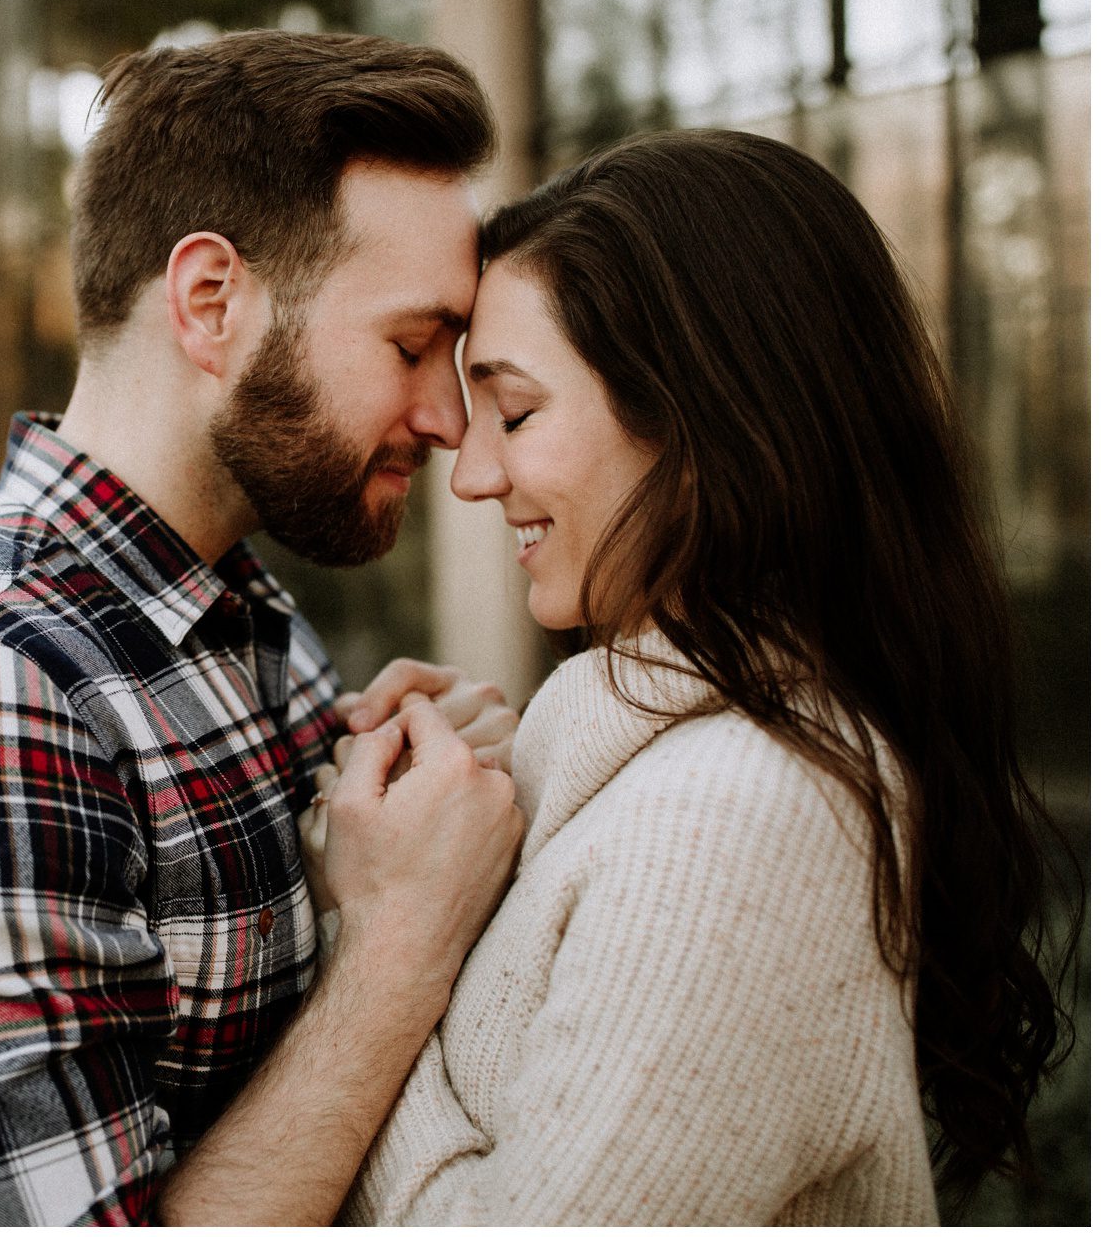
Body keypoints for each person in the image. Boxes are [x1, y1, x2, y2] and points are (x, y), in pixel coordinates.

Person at [0, 30, 527, 1226]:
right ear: (210, 301)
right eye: (411, 344)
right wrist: (399, 936)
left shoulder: (237, 616)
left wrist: (380, 787)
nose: (443, 417)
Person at [315, 128, 1069, 1224]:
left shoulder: (735, 824)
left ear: (706, 420)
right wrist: (495, 781)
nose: (472, 473)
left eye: (515, 412)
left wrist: (377, 931)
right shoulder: (669, 768)